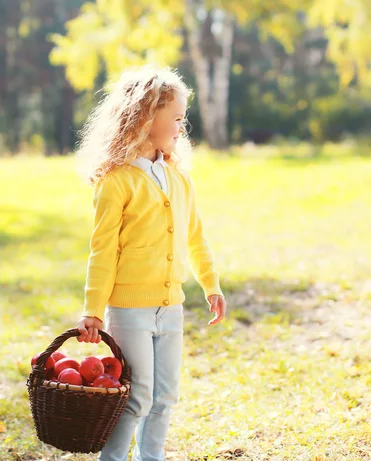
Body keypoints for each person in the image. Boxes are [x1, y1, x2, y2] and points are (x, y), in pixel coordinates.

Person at [73, 65, 227, 461]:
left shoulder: (178, 178)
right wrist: (93, 310)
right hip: (129, 309)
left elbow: (195, 236)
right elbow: (102, 250)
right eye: (175, 117)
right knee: (136, 395)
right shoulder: (117, 180)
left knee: (164, 396)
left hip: (170, 305)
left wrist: (211, 284)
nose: (181, 126)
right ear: (145, 118)